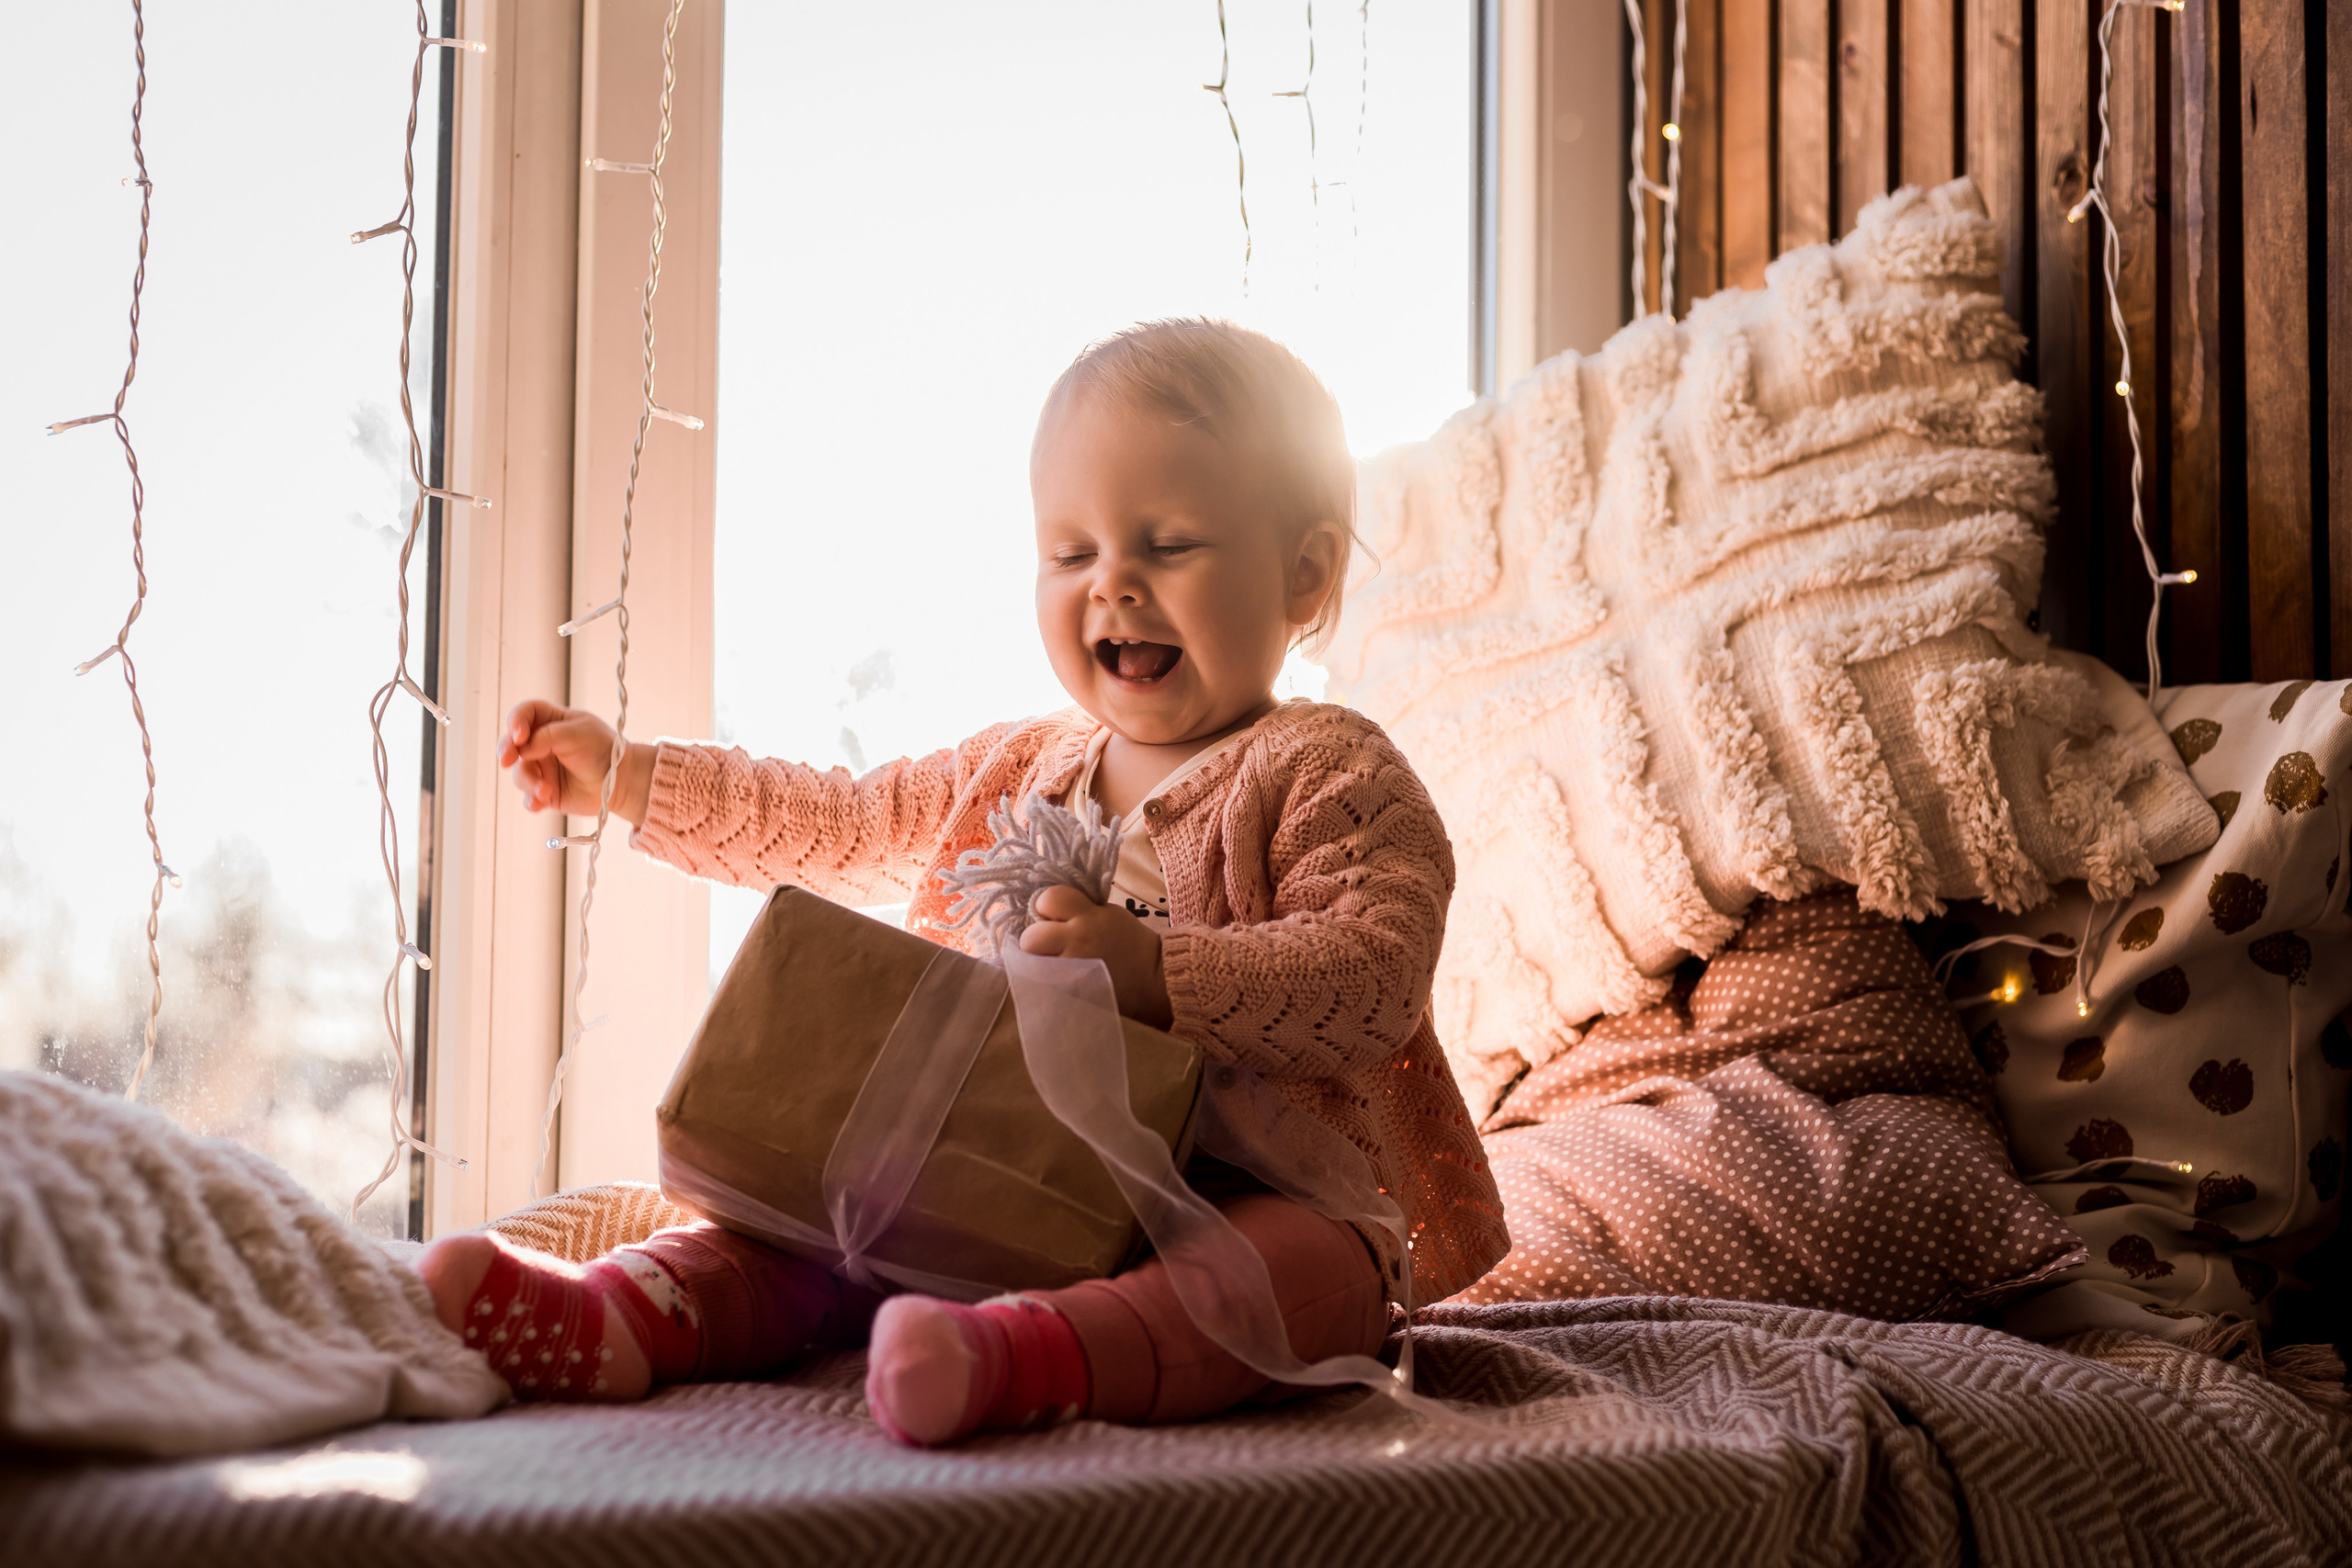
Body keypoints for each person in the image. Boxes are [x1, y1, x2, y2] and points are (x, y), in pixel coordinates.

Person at [414, 319, 1506, 1445]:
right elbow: (840, 823)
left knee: (1305, 1272)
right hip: (1005, 1169)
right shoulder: (1017, 769)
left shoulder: (1331, 768)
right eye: (1071, 554)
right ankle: (628, 1315)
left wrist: (1153, 972)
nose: (1113, 584)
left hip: (1248, 1187)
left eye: (1169, 544)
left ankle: (1022, 1357)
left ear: (1303, 572)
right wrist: (634, 778)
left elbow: (1370, 974)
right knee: (804, 1219)